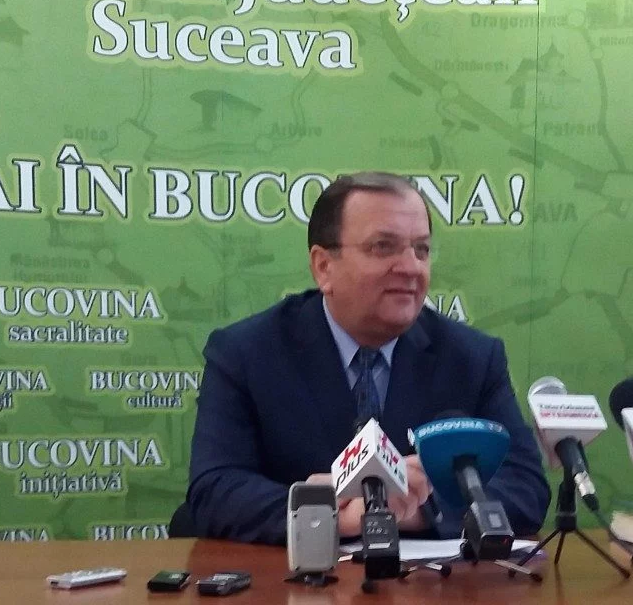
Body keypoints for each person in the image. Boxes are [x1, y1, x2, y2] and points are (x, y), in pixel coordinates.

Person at [187, 172, 550, 544]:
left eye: (421, 249)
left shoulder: (472, 358)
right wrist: (332, 514)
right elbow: (214, 490)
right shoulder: (246, 353)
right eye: (383, 247)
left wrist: (415, 510)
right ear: (324, 266)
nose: (411, 267)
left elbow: (525, 487)